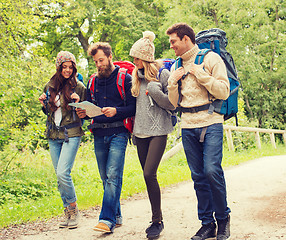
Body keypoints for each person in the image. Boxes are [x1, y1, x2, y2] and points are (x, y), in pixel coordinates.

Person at [166, 23, 231, 240]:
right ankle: (207, 224)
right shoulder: (176, 66)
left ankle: (223, 220)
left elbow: (224, 91)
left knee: (212, 170)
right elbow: (173, 103)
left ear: (186, 39)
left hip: (211, 121)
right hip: (187, 125)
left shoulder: (211, 58)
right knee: (198, 176)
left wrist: (201, 75)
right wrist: (172, 85)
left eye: (174, 41)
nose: (171, 46)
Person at [76, 42, 136, 233]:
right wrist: (84, 113)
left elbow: (134, 107)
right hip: (99, 133)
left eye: (101, 60)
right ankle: (117, 216)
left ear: (110, 57)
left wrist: (116, 111)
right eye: (95, 62)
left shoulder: (125, 78)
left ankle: (106, 219)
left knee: (112, 176)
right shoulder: (93, 80)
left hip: (119, 131)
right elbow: (91, 107)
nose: (99, 64)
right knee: (105, 178)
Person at [129, 31, 175, 239]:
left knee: (149, 173)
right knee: (148, 179)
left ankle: (158, 221)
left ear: (146, 58)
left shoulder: (162, 74)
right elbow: (136, 107)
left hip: (159, 131)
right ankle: (155, 219)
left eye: (137, 58)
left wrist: (156, 92)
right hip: (140, 133)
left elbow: (173, 105)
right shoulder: (135, 77)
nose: (134, 61)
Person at [38, 51, 86, 229]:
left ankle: (74, 209)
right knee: (59, 177)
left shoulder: (78, 86)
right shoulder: (49, 86)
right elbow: (49, 112)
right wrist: (44, 103)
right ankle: (67, 212)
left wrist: (78, 101)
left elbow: (86, 112)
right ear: (58, 68)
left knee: (62, 173)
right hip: (53, 134)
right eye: (64, 67)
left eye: (70, 67)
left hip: (71, 133)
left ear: (74, 68)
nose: (67, 70)